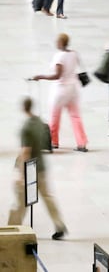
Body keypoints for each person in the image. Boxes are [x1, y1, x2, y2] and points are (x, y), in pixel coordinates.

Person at [7, 97, 68, 239]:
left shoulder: (26, 128)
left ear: (23, 108)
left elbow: (25, 152)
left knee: (20, 201)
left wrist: (21, 175)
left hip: (30, 169)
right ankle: (60, 225)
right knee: (47, 197)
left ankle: (10, 230)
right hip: (41, 166)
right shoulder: (39, 122)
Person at [31, 33, 88, 152]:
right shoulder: (74, 53)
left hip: (60, 90)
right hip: (73, 89)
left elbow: (57, 75)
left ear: (62, 43)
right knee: (75, 116)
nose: (56, 43)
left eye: (57, 41)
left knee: (55, 116)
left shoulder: (59, 57)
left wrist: (40, 76)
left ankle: (53, 141)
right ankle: (82, 143)